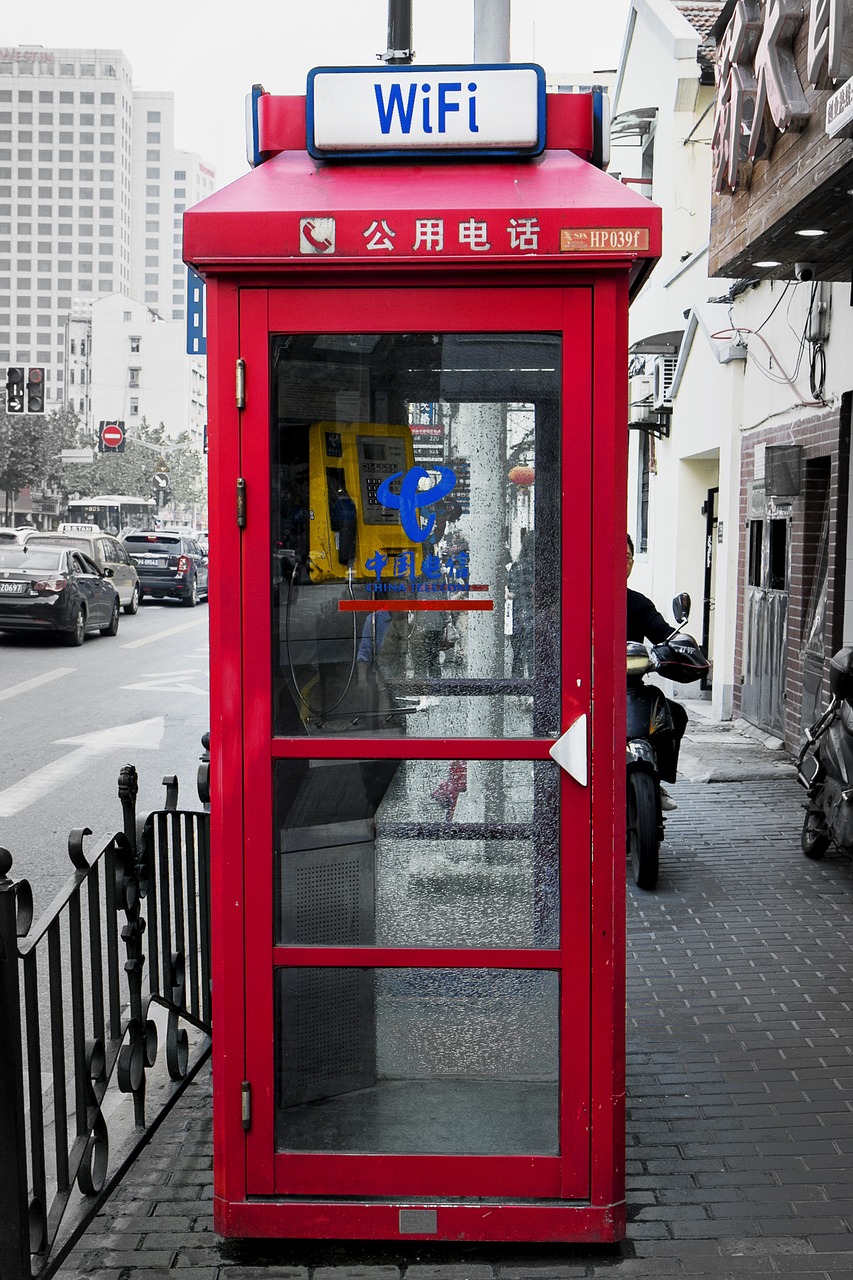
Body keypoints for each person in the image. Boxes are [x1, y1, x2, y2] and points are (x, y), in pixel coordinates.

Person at [627, 533, 687, 811]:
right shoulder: (583, 598)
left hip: (632, 687)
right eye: (615, 558)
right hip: (590, 686)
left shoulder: (639, 603)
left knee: (675, 713)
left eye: (627, 558)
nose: (622, 564)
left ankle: (657, 780)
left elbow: (662, 633)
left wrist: (680, 646)